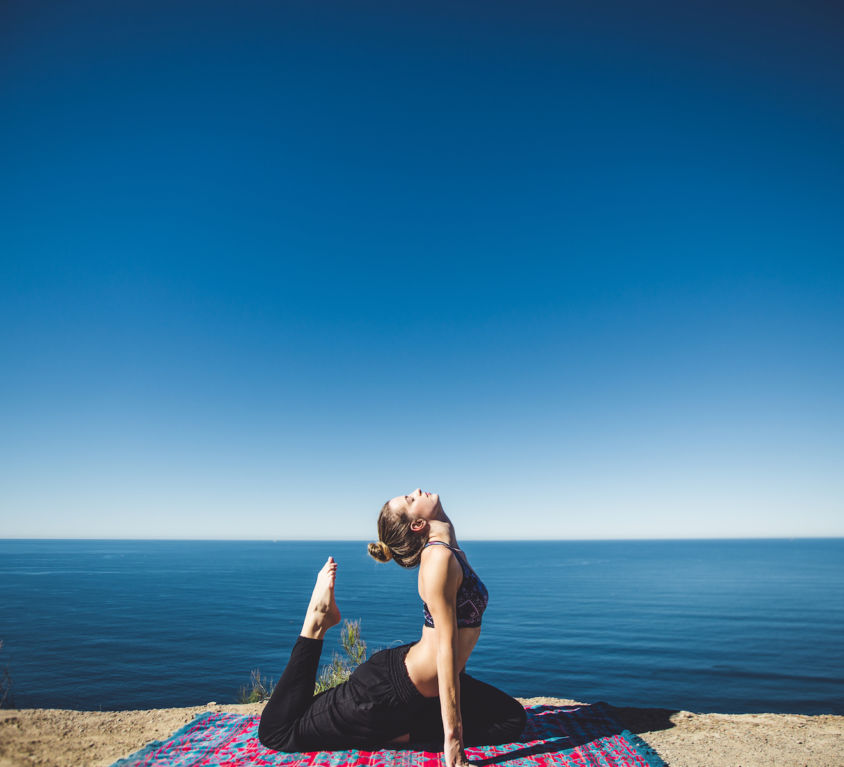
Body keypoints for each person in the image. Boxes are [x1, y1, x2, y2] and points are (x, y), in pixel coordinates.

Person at [258, 489, 526, 766]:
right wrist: (454, 747)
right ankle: (316, 621)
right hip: (386, 692)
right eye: (410, 499)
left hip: (421, 687)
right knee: (279, 732)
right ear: (418, 525)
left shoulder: (450, 550)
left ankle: (395, 731)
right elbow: (445, 652)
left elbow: (454, 648)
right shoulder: (438, 559)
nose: (416, 491)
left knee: (511, 719)